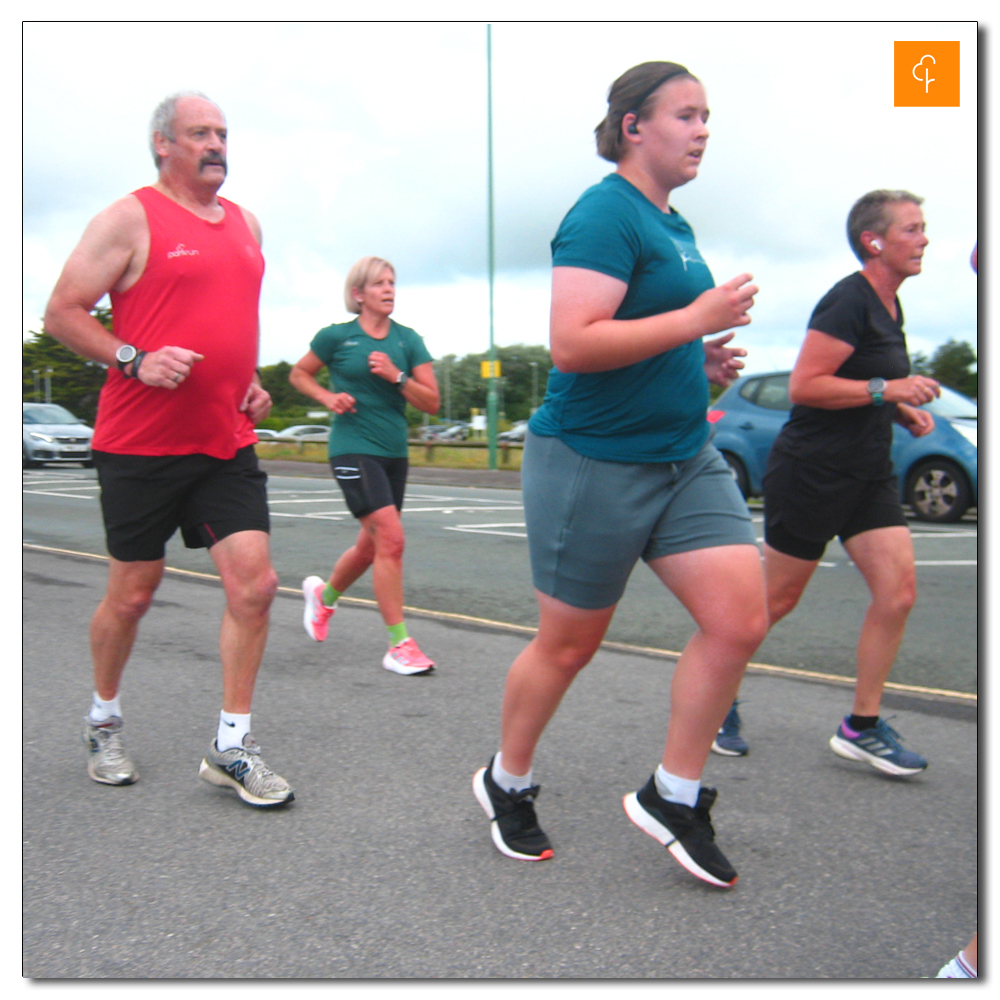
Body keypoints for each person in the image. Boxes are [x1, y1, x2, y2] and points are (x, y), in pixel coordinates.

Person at [471, 61, 767, 889]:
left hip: (683, 456)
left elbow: (645, 326)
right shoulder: (603, 213)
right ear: (634, 126)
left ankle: (674, 794)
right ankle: (507, 780)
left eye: (708, 115)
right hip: (592, 460)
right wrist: (694, 319)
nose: (703, 129)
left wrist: (692, 352)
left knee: (739, 619)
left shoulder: (676, 223)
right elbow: (573, 341)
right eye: (686, 114)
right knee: (570, 645)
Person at [43, 92, 293, 808]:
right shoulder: (128, 218)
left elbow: (230, 316)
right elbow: (61, 311)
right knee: (133, 594)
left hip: (223, 440)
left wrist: (247, 381)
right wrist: (133, 356)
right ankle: (104, 718)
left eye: (222, 133)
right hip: (141, 445)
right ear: (163, 144)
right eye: (199, 134)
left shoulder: (247, 224)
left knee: (256, 584)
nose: (216, 144)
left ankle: (232, 746)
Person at [711, 190, 940, 773]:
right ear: (875, 241)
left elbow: (865, 382)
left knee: (899, 592)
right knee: (773, 602)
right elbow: (806, 386)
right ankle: (714, 699)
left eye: (923, 228)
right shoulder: (848, 300)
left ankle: (860, 726)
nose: (924, 239)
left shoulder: (890, 306)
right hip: (813, 472)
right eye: (912, 229)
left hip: (867, 473)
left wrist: (897, 407)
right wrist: (888, 391)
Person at [290, 257, 440, 675]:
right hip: (352, 447)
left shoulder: (409, 341)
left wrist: (397, 377)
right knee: (391, 539)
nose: (389, 289)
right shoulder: (336, 337)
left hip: (394, 452)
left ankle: (325, 598)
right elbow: (299, 374)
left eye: (393, 282)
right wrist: (327, 398)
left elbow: (431, 401)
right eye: (379, 284)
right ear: (359, 294)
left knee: (372, 544)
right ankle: (399, 645)